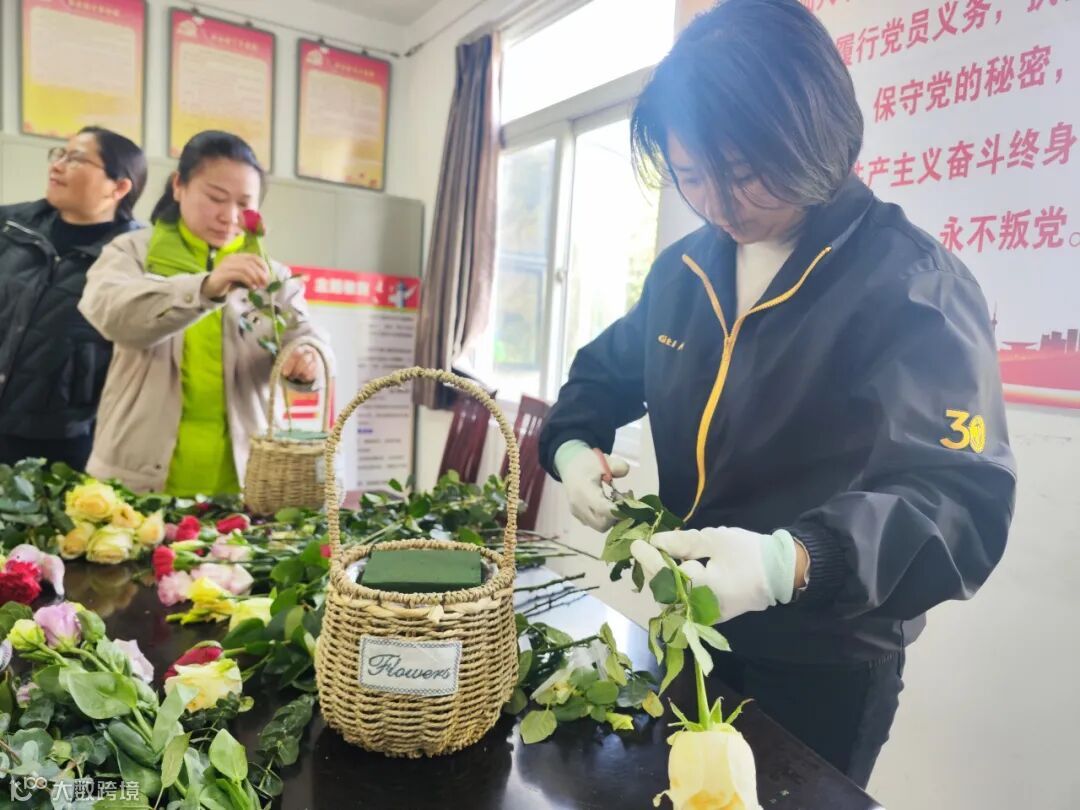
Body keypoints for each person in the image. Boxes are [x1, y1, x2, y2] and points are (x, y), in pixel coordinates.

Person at [538, 0, 1016, 789]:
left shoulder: (909, 285)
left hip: (823, 663)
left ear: (816, 138)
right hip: (690, 625)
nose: (719, 206)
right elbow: (601, 374)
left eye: (742, 174)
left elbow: (957, 503)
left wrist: (782, 563)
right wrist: (570, 449)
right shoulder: (686, 271)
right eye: (692, 176)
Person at [79, 130, 329, 496]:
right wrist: (205, 288)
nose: (229, 216)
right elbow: (112, 317)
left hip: (245, 483)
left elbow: (305, 336)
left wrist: (309, 361)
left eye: (244, 204)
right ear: (178, 185)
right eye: (215, 198)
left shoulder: (271, 276)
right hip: (136, 480)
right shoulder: (132, 252)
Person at [0, 127, 147, 471]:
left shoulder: (136, 259)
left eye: (76, 159)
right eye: (60, 155)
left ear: (119, 187)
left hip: (63, 443)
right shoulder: (10, 226)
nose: (57, 166)